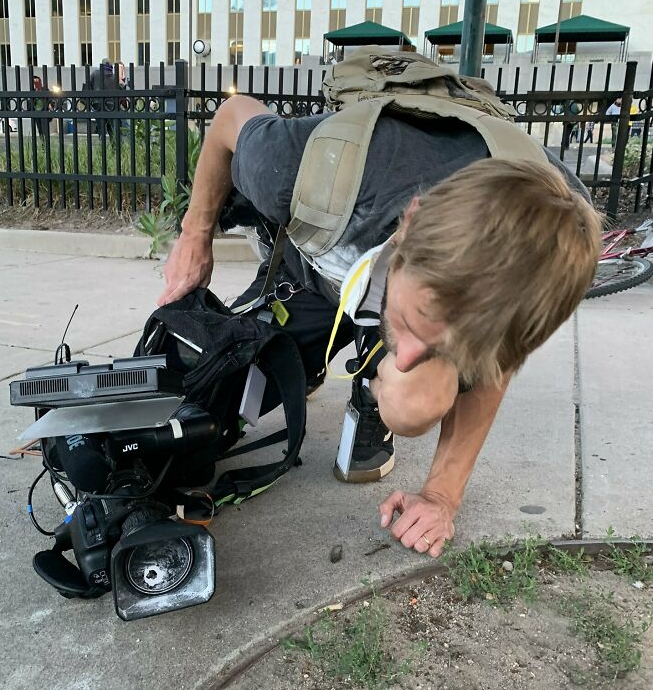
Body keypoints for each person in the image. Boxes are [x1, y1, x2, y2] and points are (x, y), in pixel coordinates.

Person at [158, 96, 600, 558]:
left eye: (438, 349)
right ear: (410, 224)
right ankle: (312, 357)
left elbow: (495, 364)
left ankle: (371, 394)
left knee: (413, 399)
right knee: (200, 409)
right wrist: (195, 235)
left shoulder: (557, 250)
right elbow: (230, 117)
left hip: (398, 272)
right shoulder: (292, 169)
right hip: (317, 267)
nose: (405, 357)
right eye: (411, 327)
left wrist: (440, 497)